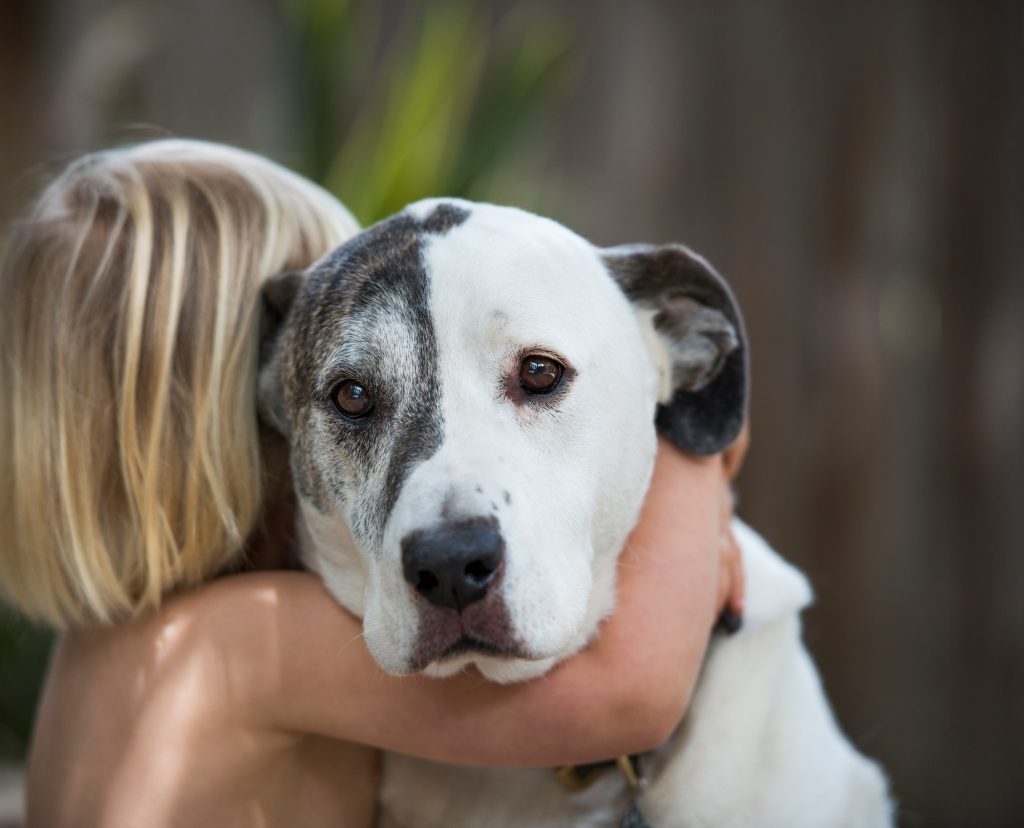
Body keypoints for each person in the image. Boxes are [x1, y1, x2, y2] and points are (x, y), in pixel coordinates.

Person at [0, 139, 746, 827]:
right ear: (251, 408)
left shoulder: (105, 647)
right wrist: (698, 464)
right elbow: (628, 697)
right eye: (352, 397)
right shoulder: (235, 644)